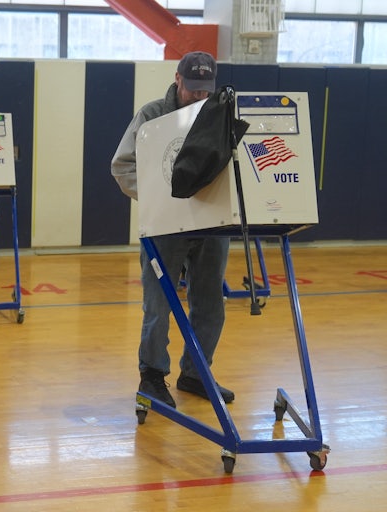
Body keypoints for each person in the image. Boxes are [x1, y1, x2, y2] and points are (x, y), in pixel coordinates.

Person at [110, 51, 234, 409]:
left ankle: (196, 373)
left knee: (211, 304)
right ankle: (151, 376)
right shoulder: (151, 116)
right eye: (192, 88)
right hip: (164, 227)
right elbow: (122, 166)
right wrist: (157, 199)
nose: (198, 96)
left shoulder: (219, 112)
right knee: (158, 305)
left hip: (210, 222)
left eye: (204, 90)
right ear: (178, 80)